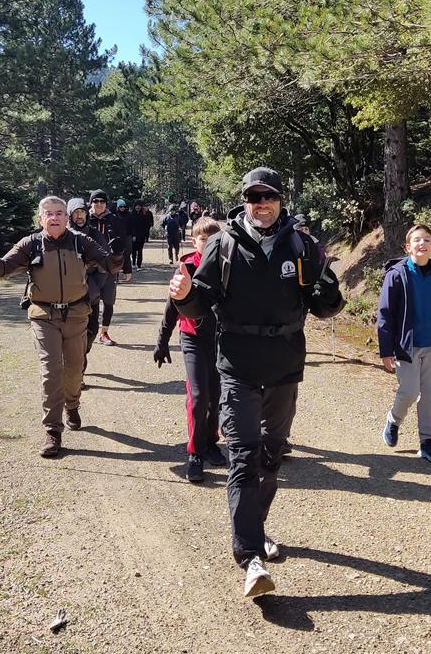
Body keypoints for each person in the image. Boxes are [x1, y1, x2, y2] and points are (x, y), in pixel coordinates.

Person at [169, 166, 344, 598]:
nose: (261, 204)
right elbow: (199, 305)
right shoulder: (224, 243)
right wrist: (184, 295)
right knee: (244, 456)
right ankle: (250, 557)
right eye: (253, 197)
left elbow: (324, 308)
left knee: (271, 455)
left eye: (268, 196)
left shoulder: (302, 245)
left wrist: (329, 289)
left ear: (281, 200)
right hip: (238, 365)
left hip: (284, 364)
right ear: (244, 201)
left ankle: (257, 528)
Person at [0, 196, 115, 458]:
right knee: (51, 371)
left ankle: (72, 405)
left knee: (74, 369)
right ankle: (53, 430)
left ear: (67, 217)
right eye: (48, 214)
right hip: (43, 316)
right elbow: (0, 270)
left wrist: (117, 255)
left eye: (59, 213)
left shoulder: (80, 241)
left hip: (76, 314)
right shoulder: (30, 244)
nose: (54, 218)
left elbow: (108, 264)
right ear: (40, 219)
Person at [376, 224, 431, 464]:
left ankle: (427, 442)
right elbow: (385, 314)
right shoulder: (396, 274)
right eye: (416, 240)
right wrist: (386, 350)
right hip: (406, 345)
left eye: (426, 240)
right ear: (407, 247)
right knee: (410, 391)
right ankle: (393, 420)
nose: (422, 243)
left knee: (430, 394)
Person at [154, 216, 228, 482]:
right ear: (193, 241)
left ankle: (210, 442)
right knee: (198, 396)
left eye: (213, 239)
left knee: (215, 395)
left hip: (220, 341)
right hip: (193, 338)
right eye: (203, 239)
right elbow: (171, 307)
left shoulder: (227, 267)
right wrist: (162, 341)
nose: (208, 244)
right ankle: (195, 452)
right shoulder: (186, 268)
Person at [84, 189, 133, 347]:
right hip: (89, 269)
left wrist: (127, 268)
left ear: (106, 204)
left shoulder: (115, 220)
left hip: (110, 266)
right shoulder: (84, 219)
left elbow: (123, 246)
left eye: (102, 201)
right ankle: (89, 330)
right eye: (95, 201)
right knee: (90, 300)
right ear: (90, 203)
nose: (99, 204)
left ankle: (104, 332)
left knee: (109, 301)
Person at [131, 203, 154, 270]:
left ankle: (139, 265)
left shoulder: (144, 214)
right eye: (136, 206)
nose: (138, 207)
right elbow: (131, 226)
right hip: (134, 235)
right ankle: (133, 263)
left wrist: (146, 213)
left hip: (141, 235)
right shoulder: (132, 214)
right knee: (133, 250)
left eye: (139, 206)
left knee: (140, 250)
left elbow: (148, 224)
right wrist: (133, 235)